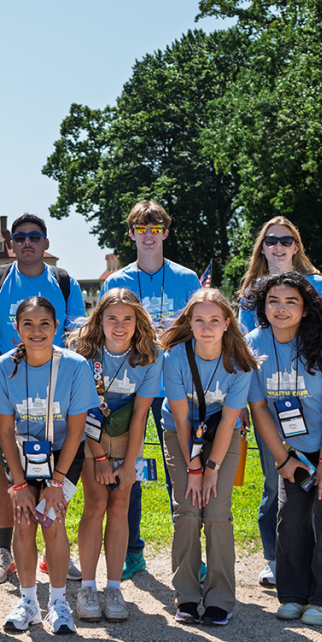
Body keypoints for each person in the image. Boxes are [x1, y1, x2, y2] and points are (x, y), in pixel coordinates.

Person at [243, 272, 322, 627]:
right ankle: (294, 595)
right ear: (262, 306)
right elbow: (259, 409)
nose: (280, 309)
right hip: (296, 447)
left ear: (305, 308)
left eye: (290, 302)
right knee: (292, 518)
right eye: (273, 301)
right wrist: (282, 459)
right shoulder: (253, 345)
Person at [235, 216, 322, 588]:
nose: (278, 247)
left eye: (285, 240)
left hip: (316, 402)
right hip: (273, 405)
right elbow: (244, 351)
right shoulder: (251, 290)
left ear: (296, 246)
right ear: (261, 248)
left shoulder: (320, 285)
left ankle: (316, 562)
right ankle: (276, 559)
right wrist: (248, 407)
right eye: (270, 241)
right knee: (276, 483)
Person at [0, 213, 87, 585]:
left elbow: (76, 332)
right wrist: (4, 365)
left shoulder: (63, 280)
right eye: (20, 237)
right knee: (6, 468)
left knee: (60, 466)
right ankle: (4, 551)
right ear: (11, 244)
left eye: (35, 236)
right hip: (8, 385)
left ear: (46, 242)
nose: (27, 242)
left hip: (57, 383)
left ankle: (52, 549)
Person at [99, 200, 201, 581]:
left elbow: (195, 330)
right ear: (130, 234)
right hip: (132, 385)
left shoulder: (187, 279)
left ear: (166, 232)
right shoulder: (116, 281)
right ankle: (131, 551)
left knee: (183, 470)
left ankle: (190, 553)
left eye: (155, 228)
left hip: (176, 385)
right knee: (131, 472)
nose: (148, 235)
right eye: (141, 229)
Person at [0, 297, 98, 634]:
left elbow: (77, 429)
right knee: (24, 521)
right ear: (17, 329)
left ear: (56, 327)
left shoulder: (75, 365)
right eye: (28, 324)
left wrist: (56, 483)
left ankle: (57, 602)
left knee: (51, 522)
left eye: (44, 324)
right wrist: (20, 485)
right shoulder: (4, 366)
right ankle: (27, 602)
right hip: (23, 454)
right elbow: (6, 431)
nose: (36, 331)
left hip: (63, 454)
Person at [160, 289, 258, 626]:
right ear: (189, 321)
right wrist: (194, 467)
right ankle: (186, 596)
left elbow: (231, 419)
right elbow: (181, 417)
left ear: (227, 323)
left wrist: (211, 467)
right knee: (187, 510)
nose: (206, 327)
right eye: (199, 319)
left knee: (216, 512)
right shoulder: (174, 357)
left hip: (222, 434)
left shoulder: (239, 361)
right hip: (180, 431)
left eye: (214, 320)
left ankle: (220, 598)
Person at [65, 288, 162, 623]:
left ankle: (114, 587)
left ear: (138, 322)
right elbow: (79, 410)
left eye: (127, 319)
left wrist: (130, 464)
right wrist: (100, 457)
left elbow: (140, 415)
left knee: (120, 504)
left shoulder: (150, 355)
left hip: (125, 434)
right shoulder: (82, 351)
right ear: (100, 320)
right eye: (112, 318)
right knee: (96, 504)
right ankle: (88, 587)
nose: (119, 326)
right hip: (86, 433)